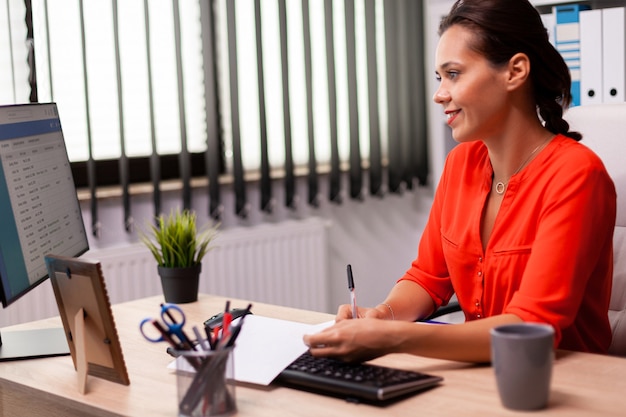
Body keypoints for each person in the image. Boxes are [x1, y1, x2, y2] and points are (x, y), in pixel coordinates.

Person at [303, 0, 616, 363]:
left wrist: (392, 337)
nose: (439, 94)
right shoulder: (461, 164)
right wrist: (381, 315)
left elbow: (531, 326)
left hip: (561, 382)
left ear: (515, 71)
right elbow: (427, 277)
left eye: (454, 74)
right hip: (481, 373)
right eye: (440, 77)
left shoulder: (576, 175)